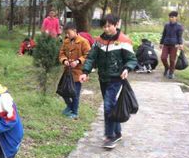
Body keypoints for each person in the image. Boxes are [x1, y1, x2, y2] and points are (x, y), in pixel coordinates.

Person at [80, 14, 137, 149]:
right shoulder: (99, 41)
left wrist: (127, 69)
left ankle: (110, 136)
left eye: (109, 26)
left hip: (116, 78)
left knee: (108, 105)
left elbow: (132, 59)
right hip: (103, 78)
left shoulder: (124, 40)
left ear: (116, 25)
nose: (106, 29)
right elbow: (91, 58)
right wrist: (85, 72)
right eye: (104, 26)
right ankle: (117, 132)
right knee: (111, 104)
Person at [58, 22, 91, 119]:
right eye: (66, 33)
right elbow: (61, 54)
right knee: (62, 90)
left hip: (78, 72)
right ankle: (69, 106)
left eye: (69, 33)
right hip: (67, 72)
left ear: (75, 31)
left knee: (75, 93)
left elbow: (88, 55)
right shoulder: (66, 41)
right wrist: (64, 60)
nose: (67, 35)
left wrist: (77, 61)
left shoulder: (83, 42)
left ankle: (75, 112)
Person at [159, 11, 184, 79]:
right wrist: (161, 43)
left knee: (172, 60)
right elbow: (163, 34)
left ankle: (171, 72)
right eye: (170, 17)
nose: (171, 18)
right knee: (163, 58)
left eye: (172, 17)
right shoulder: (166, 25)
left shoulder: (179, 26)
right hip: (166, 44)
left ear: (176, 18)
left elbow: (179, 37)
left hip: (174, 45)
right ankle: (167, 67)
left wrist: (181, 44)